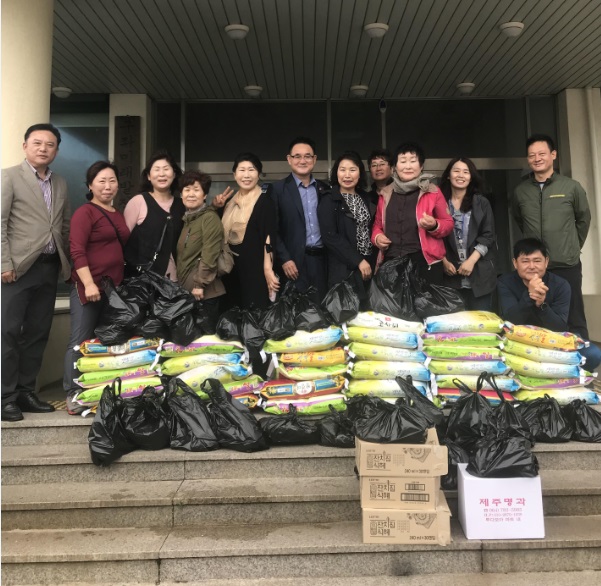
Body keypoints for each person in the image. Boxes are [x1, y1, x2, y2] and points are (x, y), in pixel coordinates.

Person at [1, 123, 71, 422]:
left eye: (50, 144)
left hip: (48, 269)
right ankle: (6, 397)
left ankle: (27, 391)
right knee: (7, 334)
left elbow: (63, 226)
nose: (43, 148)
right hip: (16, 270)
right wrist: (4, 263)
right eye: (37, 143)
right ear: (25, 145)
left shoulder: (61, 183)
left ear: (56, 150)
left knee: (37, 333)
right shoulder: (9, 177)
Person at [63, 161, 130, 414]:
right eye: (101, 181)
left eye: (112, 180)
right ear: (90, 185)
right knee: (79, 341)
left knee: (103, 341)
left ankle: (98, 390)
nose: (107, 186)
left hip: (113, 291)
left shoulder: (116, 213)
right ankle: (72, 392)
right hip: (89, 289)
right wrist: (89, 283)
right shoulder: (85, 212)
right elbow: (77, 250)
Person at [512, 133, 592, 339]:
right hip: (535, 268)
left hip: (566, 264)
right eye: (531, 155)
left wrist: (571, 247)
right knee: (538, 315)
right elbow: (520, 220)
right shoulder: (521, 191)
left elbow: (583, 220)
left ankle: (582, 360)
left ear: (553, 155)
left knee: (573, 315)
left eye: (541, 154)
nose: (536, 159)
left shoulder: (571, 187)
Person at [497, 238, 600, 371]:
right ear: (515, 263)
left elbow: (559, 327)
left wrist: (541, 304)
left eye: (537, 260)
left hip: (554, 342)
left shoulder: (561, 285)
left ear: (546, 262)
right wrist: (530, 296)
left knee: (593, 354)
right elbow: (510, 321)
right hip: (519, 343)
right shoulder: (504, 283)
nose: (532, 266)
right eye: (525, 261)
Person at [371, 142, 453, 284]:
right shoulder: (385, 193)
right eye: (403, 161)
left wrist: (434, 225)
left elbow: (448, 223)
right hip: (392, 263)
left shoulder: (432, 191)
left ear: (421, 166)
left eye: (413, 161)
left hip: (425, 263)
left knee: (425, 306)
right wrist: (377, 237)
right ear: (395, 167)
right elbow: (377, 225)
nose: (408, 166)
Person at [271, 137, 330, 302]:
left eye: (307, 156)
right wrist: (285, 259)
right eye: (297, 156)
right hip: (293, 263)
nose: (302, 160)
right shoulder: (277, 189)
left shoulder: (325, 189)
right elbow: (272, 230)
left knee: (321, 309)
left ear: (315, 159)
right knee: (295, 313)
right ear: (289, 159)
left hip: (321, 261)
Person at [221, 153, 279, 310]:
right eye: (241, 170)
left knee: (253, 314)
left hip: (254, 270)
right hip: (230, 270)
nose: (246, 175)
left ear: (258, 174)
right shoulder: (229, 202)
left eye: (251, 170)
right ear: (234, 174)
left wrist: (268, 269)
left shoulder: (265, 201)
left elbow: (269, 238)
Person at [317, 151, 376, 304]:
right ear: (336, 173)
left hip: (368, 264)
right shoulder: (329, 199)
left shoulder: (365, 197)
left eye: (352, 170)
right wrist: (358, 261)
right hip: (344, 267)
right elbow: (330, 237)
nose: (347, 175)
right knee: (346, 313)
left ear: (360, 173)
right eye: (342, 170)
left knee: (367, 315)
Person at [439, 157, 497, 310]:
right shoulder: (439, 202)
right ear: (448, 175)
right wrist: (443, 261)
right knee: (453, 329)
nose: (461, 175)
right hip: (449, 276)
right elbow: (433, 236)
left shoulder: (481, 202)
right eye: (456, 171)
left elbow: (488, 235)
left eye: (466, 172)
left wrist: (471, 261)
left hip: (479, 274)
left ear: (471, 177)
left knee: (481, 327)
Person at [123, 150, 185, 281]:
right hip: (144, 282)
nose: (161, 174)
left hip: (176, 282)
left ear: (174, 174)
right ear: (149, 176)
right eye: (156, 169)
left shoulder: (182, 205)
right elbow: (124, 241)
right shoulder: (138, 202)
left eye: (166, 169)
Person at [176, 170, 225, 331]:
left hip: (204, 294)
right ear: (181, 194)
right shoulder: (189, 219)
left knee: (206, 343)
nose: (191, 194)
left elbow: (209, 254)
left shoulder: (209, 218)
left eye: (196, 190)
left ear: (204, 195)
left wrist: (199, 284)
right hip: (189, 292)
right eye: (187, 189)